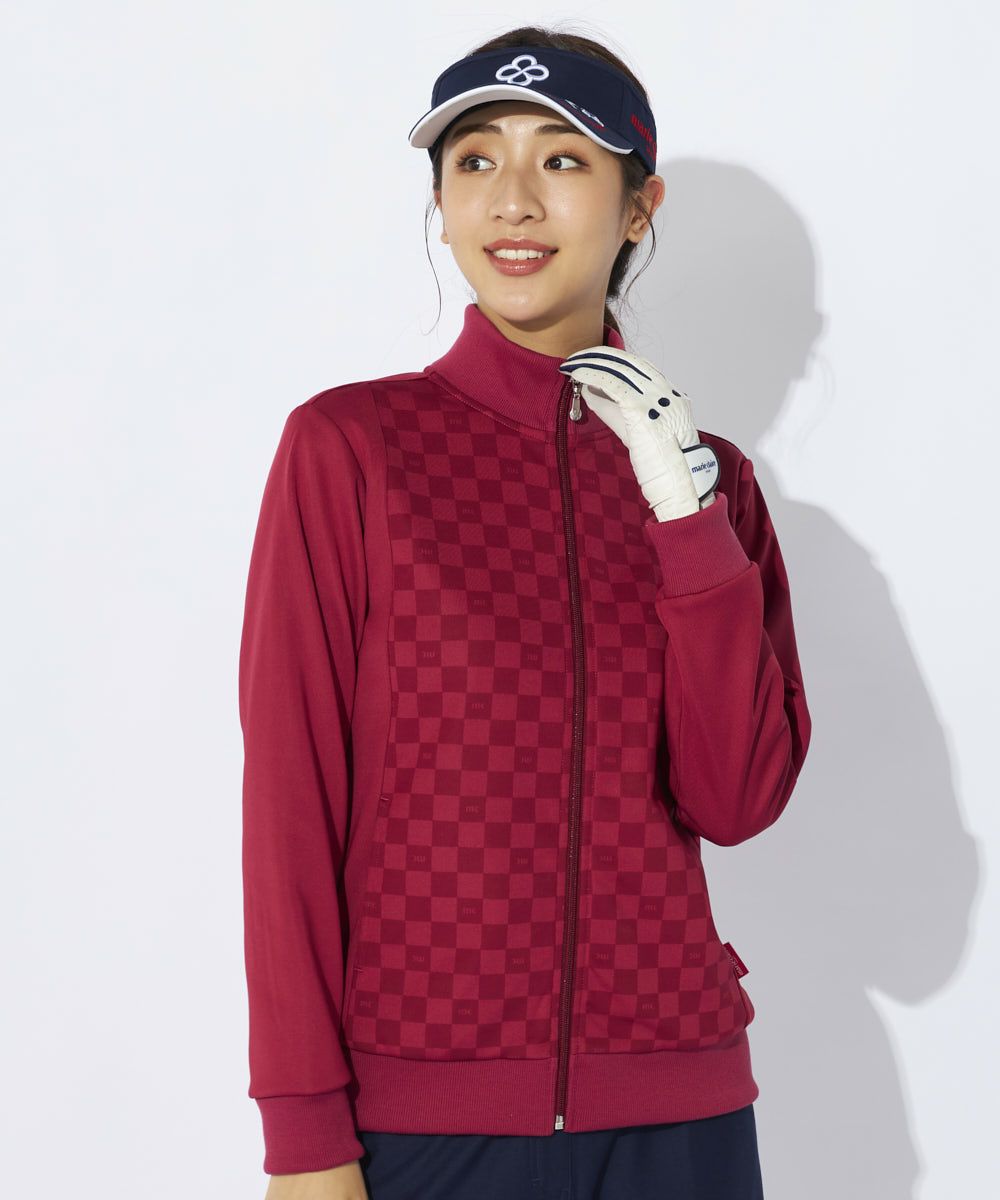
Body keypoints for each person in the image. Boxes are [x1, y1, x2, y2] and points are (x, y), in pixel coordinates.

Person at [239, 25, 812, 1200]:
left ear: (637, 207)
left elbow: (735, 799)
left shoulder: (710, 486)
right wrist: (304, 1136)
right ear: (441, 203)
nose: (513, 200)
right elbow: (290, 805)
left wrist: (684, 521)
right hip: (429, 1125)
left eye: (561, 160)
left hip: (682, 1115)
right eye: (474, 161)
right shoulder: (352, 449)